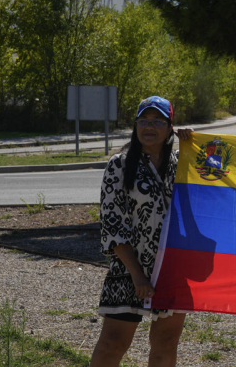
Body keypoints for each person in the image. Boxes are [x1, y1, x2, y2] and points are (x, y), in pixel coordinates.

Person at [92, 96, 194, 367]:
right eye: (143, 121)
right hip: (128, 270)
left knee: (166, 344)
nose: (149, 127)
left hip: (173, 269)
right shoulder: (119, 164)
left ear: (170, 126)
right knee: (112, 344)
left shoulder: (184, 163)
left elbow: (220, 173)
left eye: (157, 121)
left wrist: (194, 144)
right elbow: (112, 225)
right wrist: (137, 276)